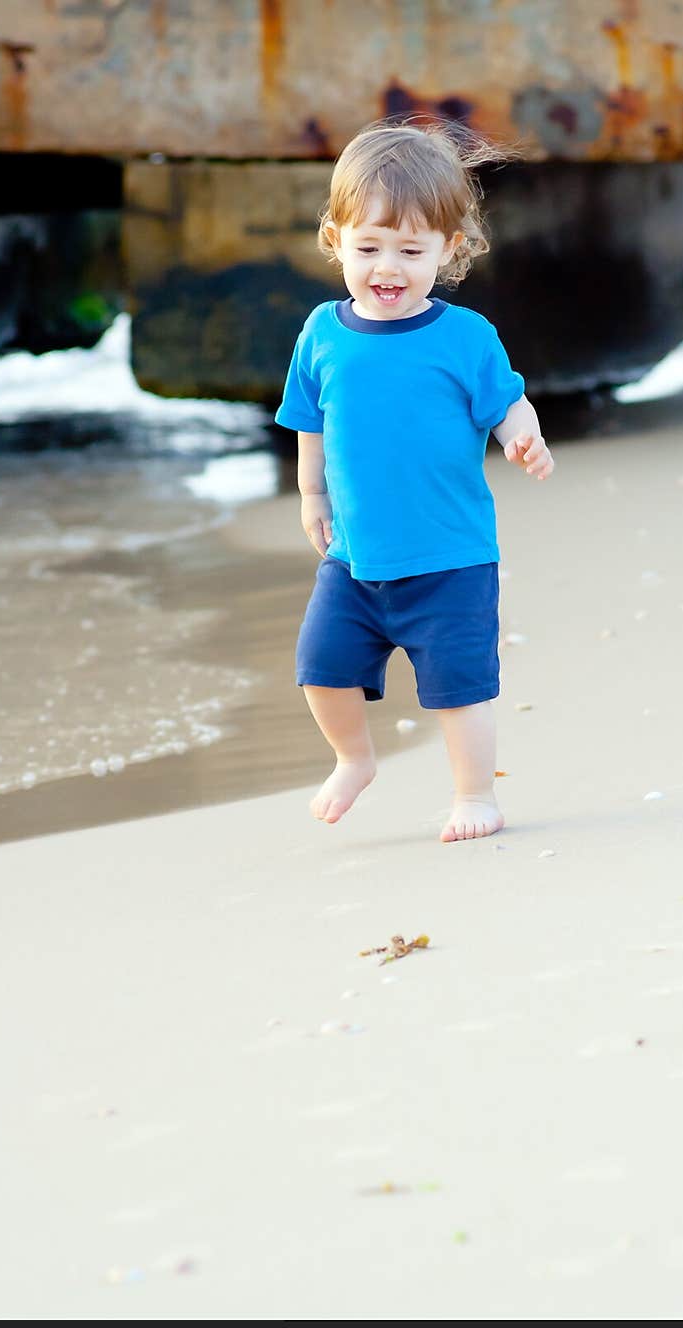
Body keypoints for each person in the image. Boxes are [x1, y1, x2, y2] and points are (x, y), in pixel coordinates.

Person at [274, 117, 554, 842]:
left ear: (449, 249)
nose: (386, 268)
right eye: (368, 247)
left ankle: (475, 796)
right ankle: (353, 759)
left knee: (460, 692)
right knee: (320, 669)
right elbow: (310, 419)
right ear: (336, 239)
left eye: (410, 249)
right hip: (355, 558)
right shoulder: (322, 333)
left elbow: (506, 402)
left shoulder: (464, 338)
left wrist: (522, 435)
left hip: (451, 559)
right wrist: (311, 494)